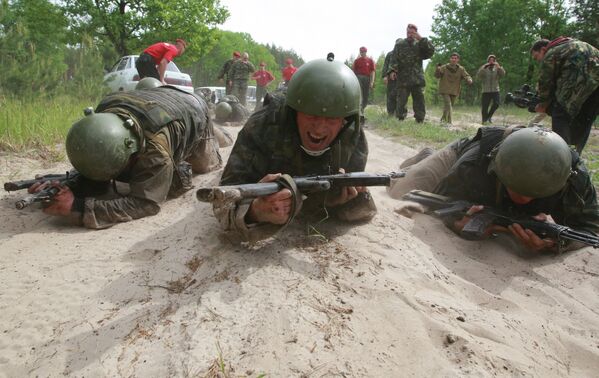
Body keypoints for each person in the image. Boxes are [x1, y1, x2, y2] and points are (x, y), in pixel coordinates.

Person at [211, 59, 377, 243]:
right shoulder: (263, 126)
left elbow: (358, 203)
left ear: (345, 120)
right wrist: (255, 211)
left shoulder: (352, 138)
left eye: (331, 119)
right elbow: (224, 195)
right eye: (312, 115)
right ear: (294, 112)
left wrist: (330, 202)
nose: (319, 129)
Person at [28, 86, 223, 229]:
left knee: (205, 165)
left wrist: (77, 207)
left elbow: (147, 203)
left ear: (132, 149)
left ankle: (221, 133)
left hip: (193, 106)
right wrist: (70, 183)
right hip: (156, 97)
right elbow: (96, 159)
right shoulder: (99, 121)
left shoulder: (156, 150)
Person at [387, 126, 599, 253]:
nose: (524, 199)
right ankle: (426, 157)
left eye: (534, 194)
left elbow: (590, 229)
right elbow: (440, 199)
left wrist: (554, 243)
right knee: (404, 191)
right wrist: (455, 222)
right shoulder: (474, 165)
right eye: (515, 187)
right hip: (461, 153)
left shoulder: (571, 176)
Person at [530, 37, 599, 153]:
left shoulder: (551, 52)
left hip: (579, 80)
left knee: (560, 114)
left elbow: (545, 82)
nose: (538, 60)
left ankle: (562, 155)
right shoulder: (577, 44)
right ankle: (575, 156)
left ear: (543, 49)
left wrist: (542, 103)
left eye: (536, 57)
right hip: (595, 86)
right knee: (585, 118)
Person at [388, 24, 435, 123]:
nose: (410, 34)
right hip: (403, 77)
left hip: (417, 78)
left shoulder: (420, 44)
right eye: (408, 32)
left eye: (412, 33)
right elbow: (394, 59)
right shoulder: (400, 44)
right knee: (401, 100)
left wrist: (421, 39)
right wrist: (392, 70)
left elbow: (430, 51)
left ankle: (420, 119)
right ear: (406, 32)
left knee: (419, 100)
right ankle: (400, 118)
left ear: (416, 33)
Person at [435, 53, 473, 125]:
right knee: (448, 104)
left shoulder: (461, 69)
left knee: (449, 106)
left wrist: (469, 79)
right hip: (445, 89)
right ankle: (449, 122)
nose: (454, 60)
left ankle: (443, 120)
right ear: (450, 59)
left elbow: (466, 75)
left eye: (455, 58)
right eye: (452, 58)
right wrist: (437, 69)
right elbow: (437, 76)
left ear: (458, 60)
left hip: (454, 90)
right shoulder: (444, 67)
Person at [476, 54, 506, 124]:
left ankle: (489, 117)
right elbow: (479, 75)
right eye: (490, 60)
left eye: (493, 60)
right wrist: (484, 67)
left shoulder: (497, 68)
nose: (491, 62)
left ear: (495, 61)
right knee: (485, 106)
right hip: (486, 90)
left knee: (496, 103)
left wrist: (499, 67)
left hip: (495, 90)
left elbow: (503, 74)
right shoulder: (484, 68)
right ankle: (484, 120)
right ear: (488, 61)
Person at [352, 47, 376, 122]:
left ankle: (362, 110)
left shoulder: (370, 60)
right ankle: (360, 114)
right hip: (359, 78)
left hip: (367, 78)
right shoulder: (357, 61)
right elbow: (353, 72)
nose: (362, 53)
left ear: (366, 52)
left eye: (363, 52)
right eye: (361, 52)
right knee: (361, 95)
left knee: (366, 97)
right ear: (360, 52)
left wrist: (372, 81)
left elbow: (372, 72)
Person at [382, 51, 398, 116]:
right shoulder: (390, 54)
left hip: (402, 78)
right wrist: (385, 76)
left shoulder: (405, 52)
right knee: (390, 95)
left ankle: (400, 114)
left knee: (401, 96)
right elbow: (385, 65)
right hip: (391, 78)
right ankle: (391, 113)